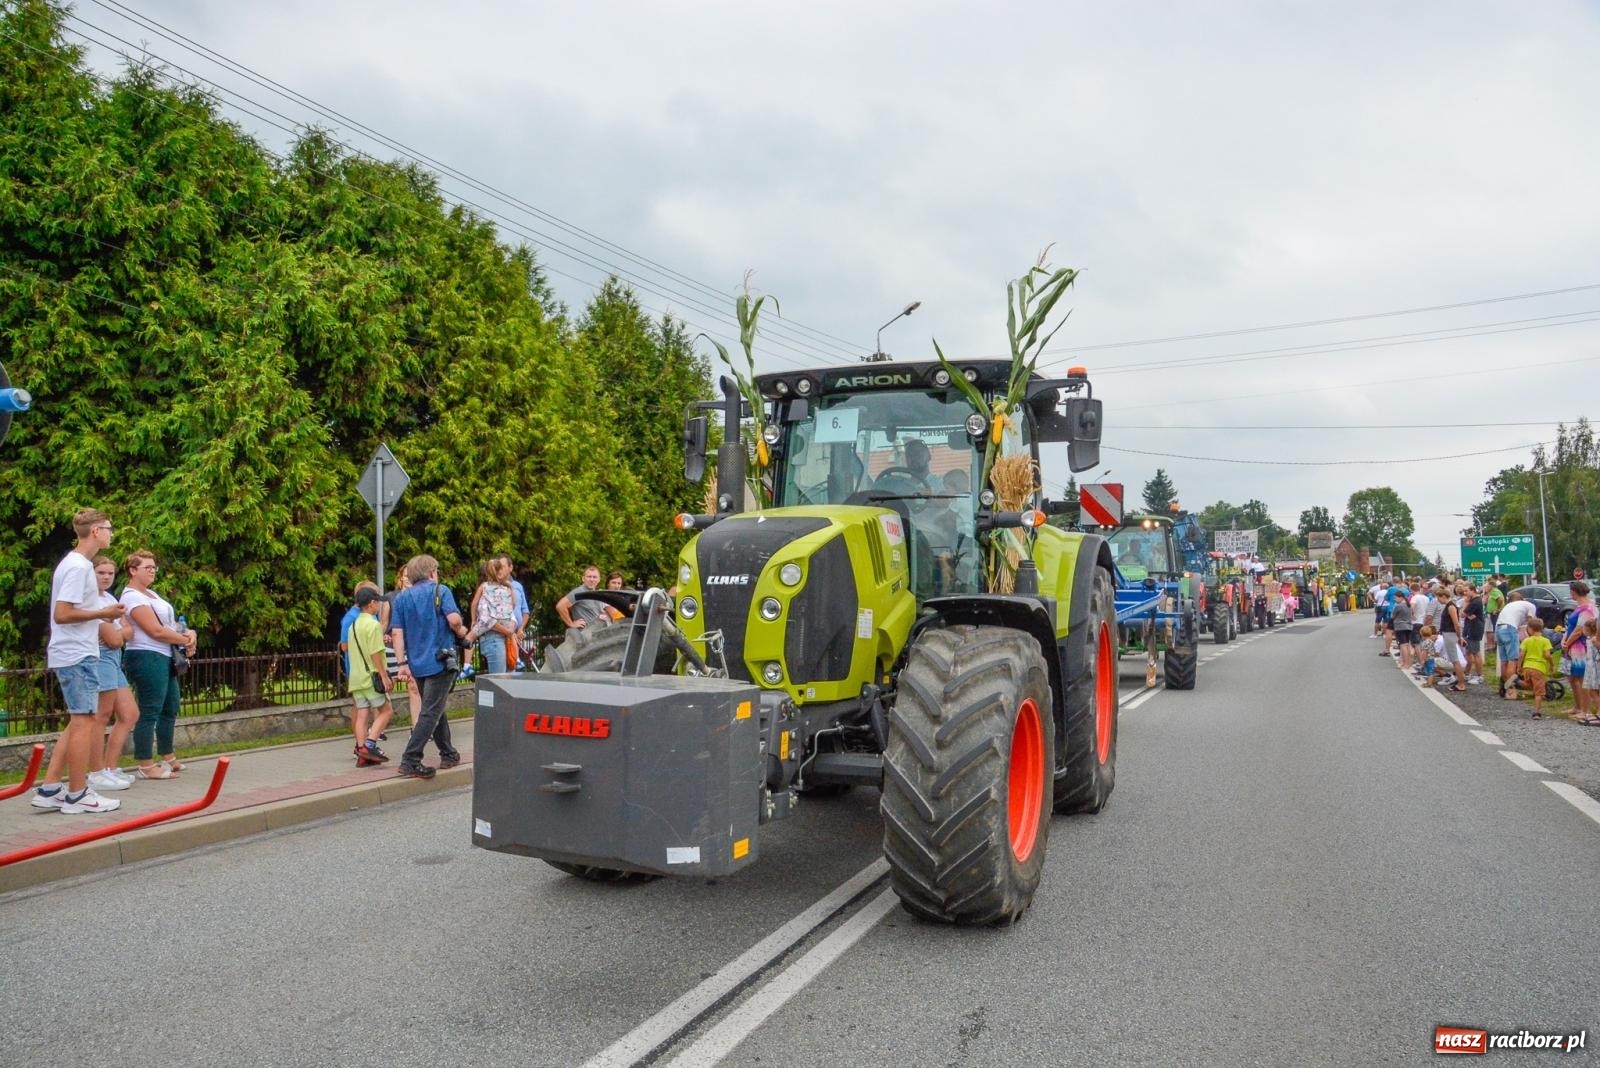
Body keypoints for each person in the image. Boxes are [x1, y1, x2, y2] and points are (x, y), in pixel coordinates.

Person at [32, 510, 126, 814]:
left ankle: (49, 790)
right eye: (110, 529)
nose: (112, 534)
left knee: (77, 721)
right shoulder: (78, 567)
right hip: (77, 653)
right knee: (85, 721)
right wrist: (103, 614)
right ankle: (77, 794)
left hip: (73, 652)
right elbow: (62, 613)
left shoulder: (75, 564)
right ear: (96, 531)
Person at [390, 554, 470, 779]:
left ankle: (448, 753)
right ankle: (410, 760)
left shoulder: (402, 599)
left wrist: (401, 663)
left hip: (416, 663)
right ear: (432, 573)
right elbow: (454, 620)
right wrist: (462, 632)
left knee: (435, 707)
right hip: (440, 660)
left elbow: (397, 632)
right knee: (431, 711)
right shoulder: (441, 591)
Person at [120, 550, 196, 779]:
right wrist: (184, 640)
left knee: (170, 706)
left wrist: (189, 633)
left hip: (165, 656)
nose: (153, 571)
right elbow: (154, 631)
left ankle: (167, 755)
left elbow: (170, 624)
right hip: (145, 655)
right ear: (133, 570)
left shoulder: (151, 594)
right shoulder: (132, 597)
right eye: (147, 568)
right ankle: (145, 763)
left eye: (154, 567)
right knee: (150, 709)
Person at [345, 586, 394, 765]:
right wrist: (384, 676)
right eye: (377, 602)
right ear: (372, 604)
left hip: (356, 678)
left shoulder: (354, 625)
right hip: (370, 677)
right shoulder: (373, 625)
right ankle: (370, 744)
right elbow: (375, 653)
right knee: (386, 710)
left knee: (362, 715)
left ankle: (361, 752)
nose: (379, 605)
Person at [466, 556, 519, 673]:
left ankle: (466, 665)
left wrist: (473, 620)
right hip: (498, 634)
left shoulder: (484, 587)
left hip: (495, 634)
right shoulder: (506, 588)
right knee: (502, 680)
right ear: (499, 571)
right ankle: (518, 659)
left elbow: (474, 604)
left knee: (469, 637)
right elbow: (513, 605)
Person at [1559, 579, 1597, 722]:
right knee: (1572, 677)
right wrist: (1564, 639)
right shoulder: (1579, 606)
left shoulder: (1588, 608)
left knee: (1581, 678)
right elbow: (1570, 626)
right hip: (1571, 645)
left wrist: (1567, 643)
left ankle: (1585, 710)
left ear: (1575, 592)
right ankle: (1577, 706)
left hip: (1580, 646)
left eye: (1571, 592)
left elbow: (1580, 630)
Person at [1495, 591, 1538, 699]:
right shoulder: (1531, 606)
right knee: (1512, 661)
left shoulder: (1510, 606)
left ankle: (1506, 689)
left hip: (1499, 628)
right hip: (1510, 629)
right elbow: (1532, 625)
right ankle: (1511, 691)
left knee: (1504, 661)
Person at [1514, 617, 1555, 716]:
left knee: (1529, 685)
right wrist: (1551, 664)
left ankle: (1517, 681)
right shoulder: (1545, 641)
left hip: (1527, 667)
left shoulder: (1526, 640)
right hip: (1538, 668)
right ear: (1541, 628)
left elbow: (1521, 655)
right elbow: (1547, 655)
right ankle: (1537, 712)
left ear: (1530, 629)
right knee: (1539, 692)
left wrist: (1519, 666)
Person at [556, 565, 609, 634]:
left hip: (595, 635)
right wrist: (571, 624)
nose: (592, 579)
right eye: (589, 577)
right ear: (583, 578)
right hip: (584, 637)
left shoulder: (596, 593)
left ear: (599, 580)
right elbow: (560, 606)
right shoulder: (579, 592)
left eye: (594, 577)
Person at [1438, 587, 1467, 692]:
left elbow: (1456, 624)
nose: (1438, 600)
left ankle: (1461, 683)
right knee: (1453, 659)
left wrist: (1459, 637)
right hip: (1448, 633)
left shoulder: (1451, 607)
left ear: (1444, 596)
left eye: (1439, 598)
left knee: (1455, 660)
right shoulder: (1449, 606)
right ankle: (1460, 680)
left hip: (1450, 633)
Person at [1463, 583, 1486, 685]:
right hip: (1470, 627)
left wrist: (1466, 602)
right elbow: (1466, 615)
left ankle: (1479, 675)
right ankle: (1467, 673)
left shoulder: (1475, 602)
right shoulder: (1475, 600)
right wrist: (1468, 615)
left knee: (1475, 652)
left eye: (1467, 591)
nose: (1465, 593)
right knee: (1468, 651)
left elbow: (1463, 613)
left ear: (1472, 590)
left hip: (1474, 628)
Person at [1388, 585, 1414, 671]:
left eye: (1395, 598)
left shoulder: (1398, 606)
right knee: (1407, 645)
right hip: (1409, 626)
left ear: (1400, 597)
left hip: (1400, 626)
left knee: (1403, 646)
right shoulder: (1408, 605)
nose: (1395, 599)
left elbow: (1392, 615)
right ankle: (1408, 663)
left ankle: (1405, 663)